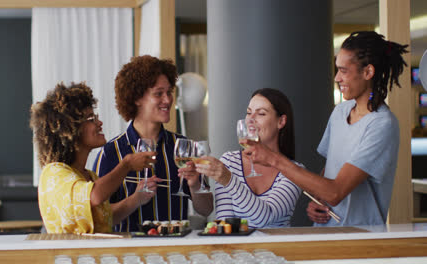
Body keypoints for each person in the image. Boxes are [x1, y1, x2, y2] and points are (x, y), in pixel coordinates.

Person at [242, 31, 408, 226]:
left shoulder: (381, 124)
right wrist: (317, 198)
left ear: (368, 72)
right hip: (325, 230)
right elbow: (331, 169)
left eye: (344, 70)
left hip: (360, 237)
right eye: (337, 69)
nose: (337, 77)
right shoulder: (341, 111)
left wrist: (271, 158)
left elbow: (335, 192)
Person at [93, 55, 213, 232]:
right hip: (129, 255)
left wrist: (195, 185)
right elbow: (98, 218)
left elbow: (205, 209)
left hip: (174, 254)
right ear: (136, 98)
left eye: (169, 92)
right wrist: (135, 200)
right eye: (159, 93)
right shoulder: (112, 152)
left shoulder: (183, 146)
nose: (168, 100)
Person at [30, 82, 156, 233]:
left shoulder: (89, 176)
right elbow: (94, 196)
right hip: (70, 257)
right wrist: (127, 164)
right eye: (91, 119)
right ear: (70, 129)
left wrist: (137, 198)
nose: (99, 122)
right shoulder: (54, 173)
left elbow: (105, 218)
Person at [195, 88, 302, 228]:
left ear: (281, 121)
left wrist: (229, 180)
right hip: (237, 250)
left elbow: (264, 218)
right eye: (248, 112)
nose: (250, 119)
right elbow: (224, 223)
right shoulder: (229, 161)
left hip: (276, 249)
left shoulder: (295, 171)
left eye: (261, 114)